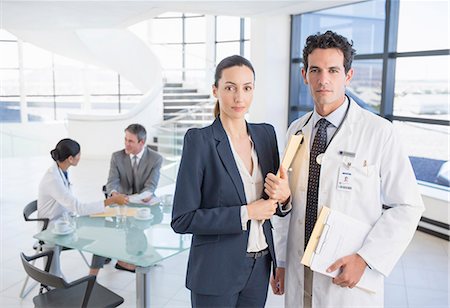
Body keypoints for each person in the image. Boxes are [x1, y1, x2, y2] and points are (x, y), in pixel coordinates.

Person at [268, 30, 425, 308]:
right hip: (299, 267)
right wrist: (281, 260)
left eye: (333, 70)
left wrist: (365, 258)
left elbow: (407, 205)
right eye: (315, 70)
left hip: (346, 272)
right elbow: (288, 204)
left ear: (348, 76)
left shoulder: (379, 132)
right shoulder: (296, 130)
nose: (323, 79)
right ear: (304, 75)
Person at [171, 55, 291, 308]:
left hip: (259, 267)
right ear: (216, 90)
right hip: (216, 270)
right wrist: (246, 213)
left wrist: (285, 198)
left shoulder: (266, 134)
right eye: (230, 88)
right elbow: (182, 219)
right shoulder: (199, 141)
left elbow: (276, 203)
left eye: (247, 88)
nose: (239, 97)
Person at [38, 138, 128, 276]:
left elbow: (72, 205)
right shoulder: (53, 178)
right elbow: (78, 207)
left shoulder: (60, 171)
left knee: (104, 229)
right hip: (52, 230)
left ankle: (95, 275)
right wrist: (111, 201)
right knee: (101, 234)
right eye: (79, 154)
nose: (80, 157)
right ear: (70, 158)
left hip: (65, 221)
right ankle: (91, 279)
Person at [106, 123, 163, 202]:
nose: (126, 144)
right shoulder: (116, 157)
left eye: (130, 141)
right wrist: (114, 194)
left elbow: (151, 186)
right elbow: (112, 182)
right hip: (122, 202)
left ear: (142, 142)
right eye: (125, 139)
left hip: (144, 202)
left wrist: (143, 196)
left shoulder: (156, 159)